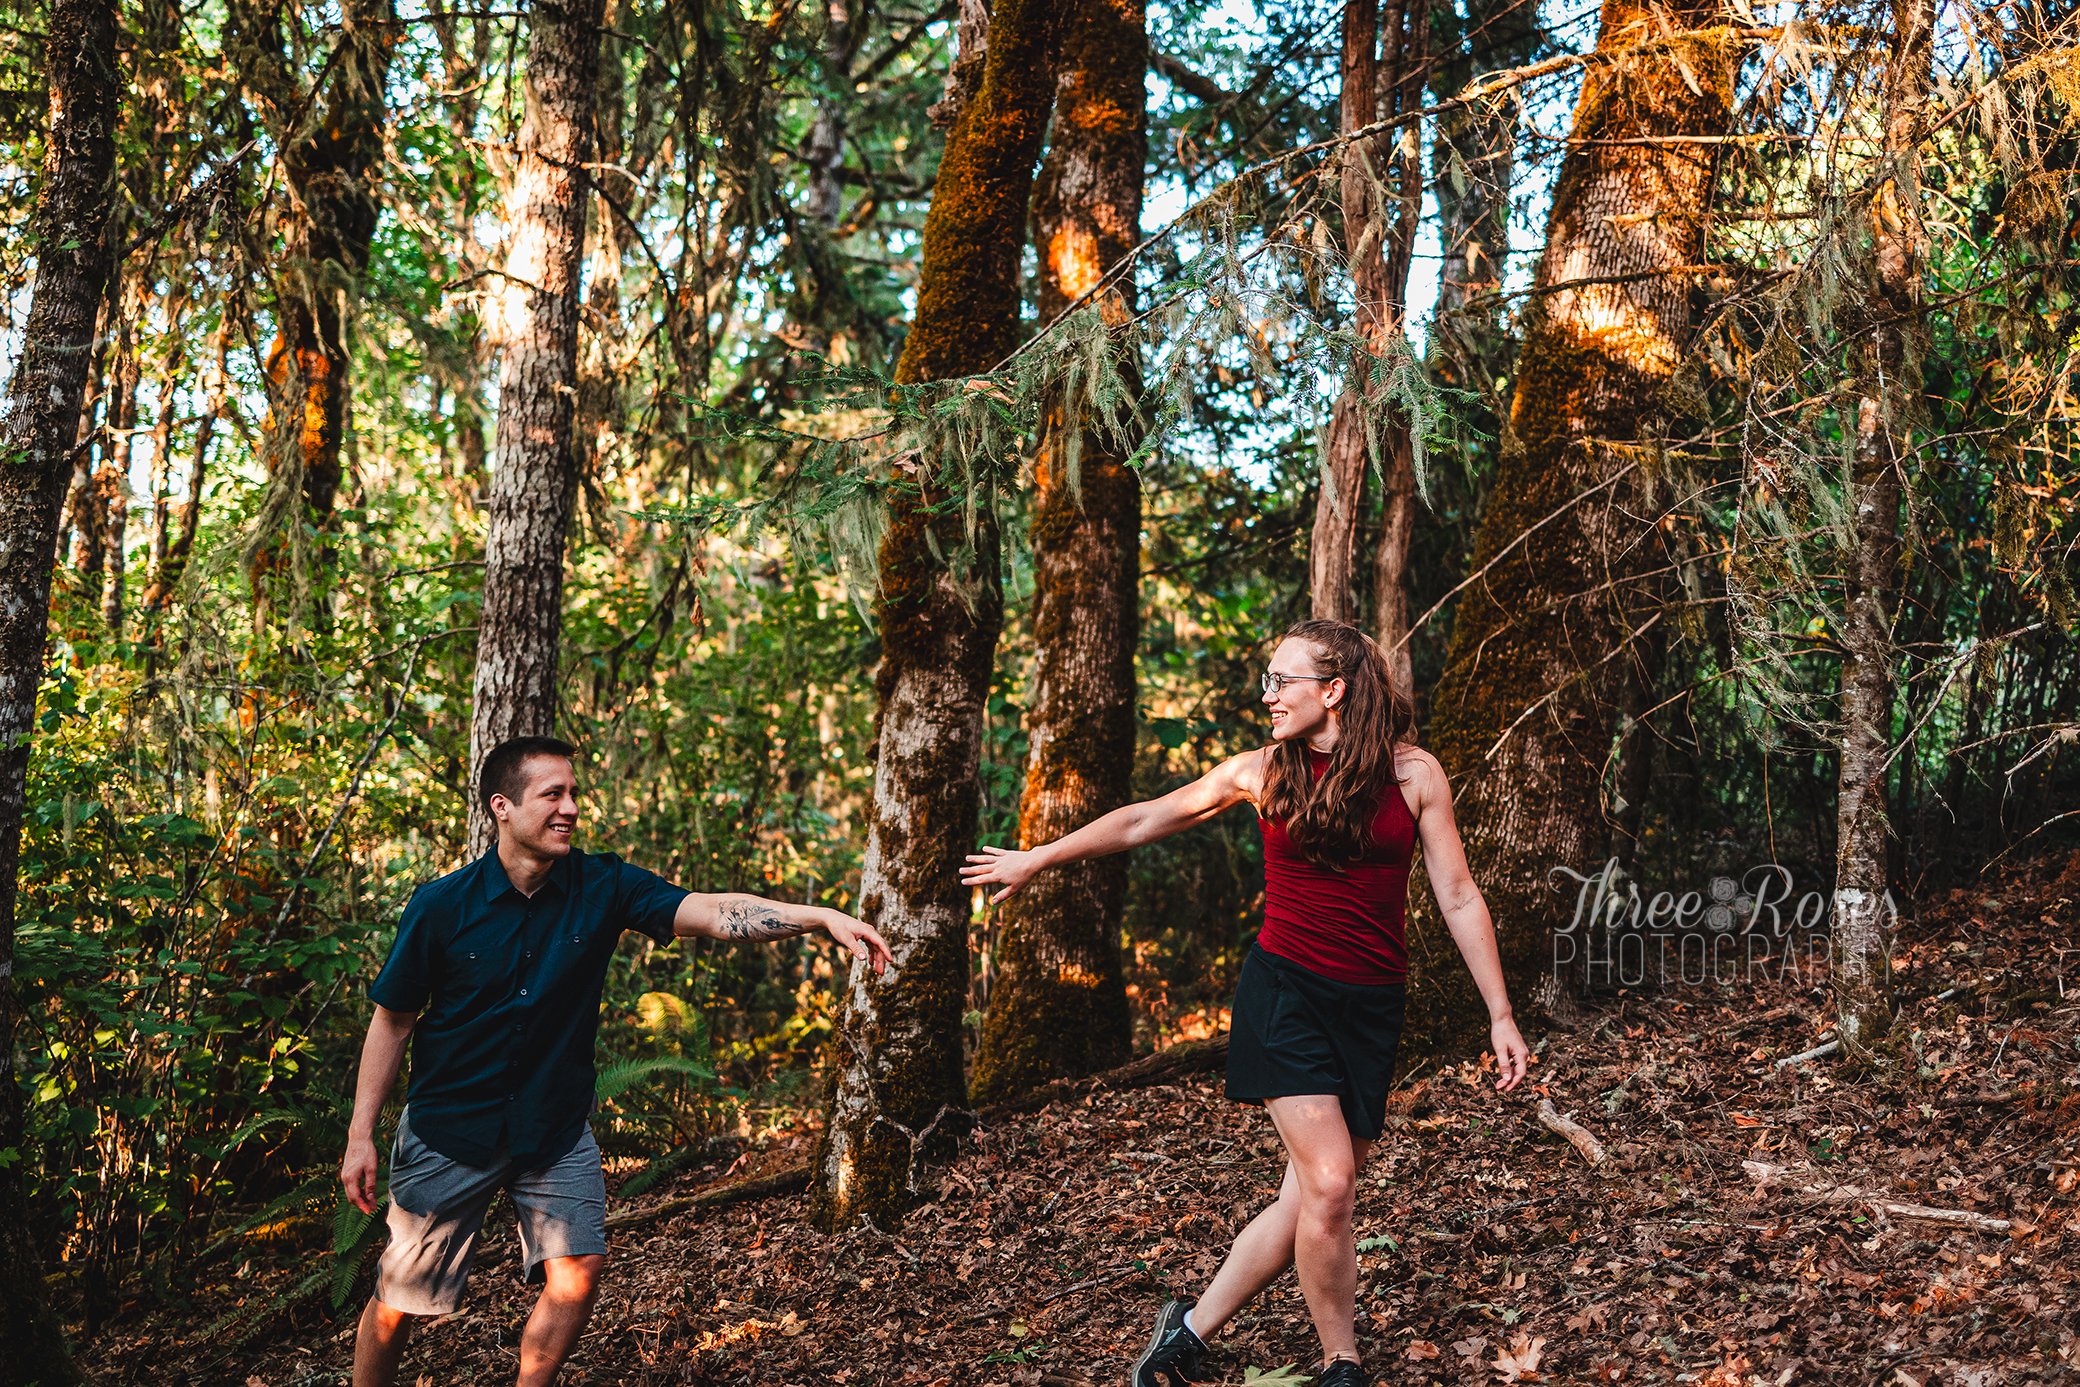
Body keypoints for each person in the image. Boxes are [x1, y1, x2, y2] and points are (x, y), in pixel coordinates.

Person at [962, 619, 1529, 1387]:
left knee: (1311, 1197)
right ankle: (1342, 1361)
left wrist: (1499, 1011)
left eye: (1279, 681)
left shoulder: (1414, 775)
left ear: (1332, 691)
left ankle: (1187, 1330)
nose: (1266, 695)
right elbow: (1144, 818)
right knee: (1330, 1181)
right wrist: (1041, 855)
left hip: (1371, 1007)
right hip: (1284, 993)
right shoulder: (1263, 772)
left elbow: (1458, 895)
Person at [339, 735, 891, 1387]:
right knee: (403, 1300)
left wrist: (818, 916)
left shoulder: (603, 885)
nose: (571, 806)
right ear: (503, 807)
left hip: (552, 1127)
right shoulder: (441, 906)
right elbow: (394, 1018)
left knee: (577, 1272)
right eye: (553, 793)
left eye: (574, 792)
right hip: (451, 1127)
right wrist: (359, 1134)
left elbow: (713, 912)